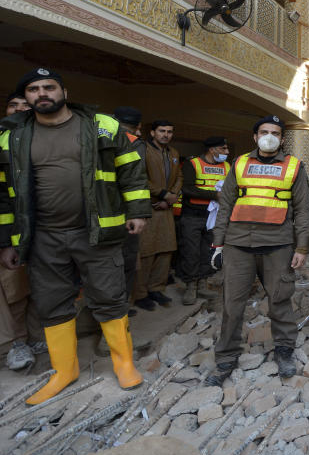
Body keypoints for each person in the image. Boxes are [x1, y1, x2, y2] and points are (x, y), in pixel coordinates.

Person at [0, 67, 149, 403]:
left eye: (48, 87)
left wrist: (138, 211)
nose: (42, 94)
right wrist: (6, 240)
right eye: (34, 89)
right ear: (27, 98)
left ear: (64, 91)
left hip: (96, 232)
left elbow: (131, 169)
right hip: (42, 238)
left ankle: (124, 364)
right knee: (51, 302)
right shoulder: (11, 136)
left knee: (109, 296)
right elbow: (3, 193)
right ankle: (65, 370)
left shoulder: (102, 125)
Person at [205, 115, 309, 385]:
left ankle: (284, 351)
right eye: (264, 131)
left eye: (275, 133)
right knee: (232, 303)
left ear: (282, 138)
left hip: (278, 244)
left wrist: (301, 247)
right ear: (254, 137)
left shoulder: (294, 166)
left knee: (280, 298)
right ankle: (226, 357)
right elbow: (225, 204)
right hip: (239, 243)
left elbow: (302, 210)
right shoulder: (240, 163)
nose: (269, 136)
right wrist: (218, 243)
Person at [0, 91, 43, 371]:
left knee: (39, 288)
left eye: (24, 106)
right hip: (10, 229)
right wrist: (5, 241)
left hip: (44, 230)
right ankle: (15, 344)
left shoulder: (44, 138)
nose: (18, 110)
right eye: (12, 105)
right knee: (12, 288)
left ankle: (34, 337)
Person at [134, 120, 181, 311]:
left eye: (169, 131)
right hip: (148, 207)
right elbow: (138, 177)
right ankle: (140, 294)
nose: (166, 135)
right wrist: (162, 194)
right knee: (146, 252)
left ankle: (156, 289)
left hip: (166, 208)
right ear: (152, 132)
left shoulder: (174, 153)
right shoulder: (142, 150)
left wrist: (172, 196)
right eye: (162, 131)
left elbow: (179, 177)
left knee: (165, 250)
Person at [179, 136, 230, 305]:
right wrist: (214, 195)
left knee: (208, 250)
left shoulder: (227, 166)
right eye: (223, 149)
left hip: (214, 216)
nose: (226, 152)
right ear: (212, 149)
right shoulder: (192, 164)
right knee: (191, 251)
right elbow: (187, 189)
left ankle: (202, 284)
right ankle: (190, 286)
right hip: (192, 214)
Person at [114, 107, 147, 316]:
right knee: (125, 262)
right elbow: (136, 179)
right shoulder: (134, 143)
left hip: (97, 211)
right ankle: (120, 309)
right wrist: (137, 213)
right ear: (138, 128)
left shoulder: (94, 136)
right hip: (125, 213)